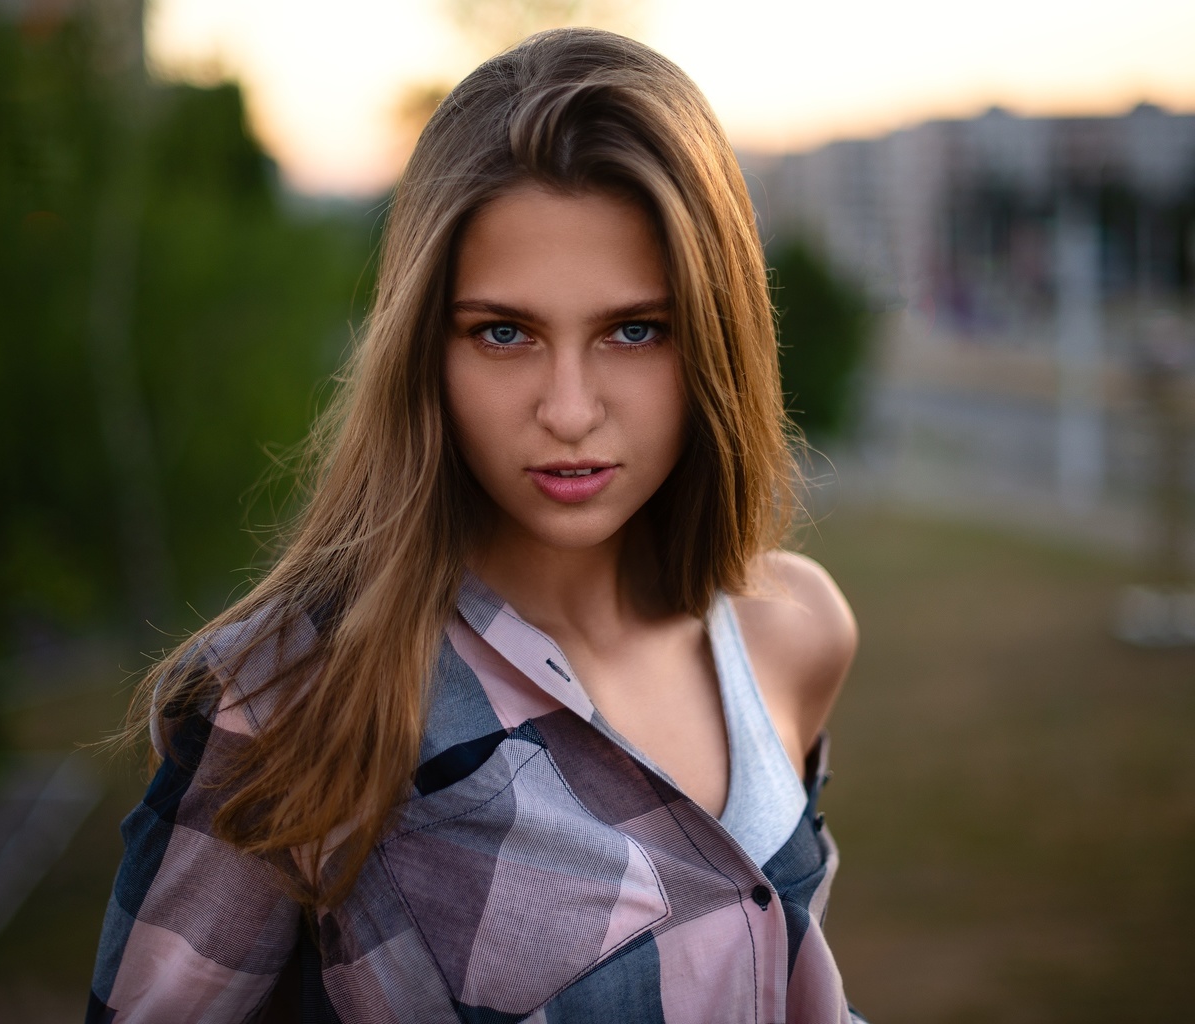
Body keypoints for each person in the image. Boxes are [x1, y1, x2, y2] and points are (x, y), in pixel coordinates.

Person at [88, 26, 862, 1024]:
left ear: (715, 337)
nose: (571, 409)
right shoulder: (292, 703)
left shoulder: (793, 631)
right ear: (426, 350)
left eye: (634, 329)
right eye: (504, 332)